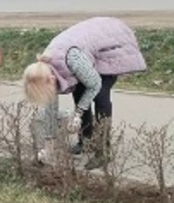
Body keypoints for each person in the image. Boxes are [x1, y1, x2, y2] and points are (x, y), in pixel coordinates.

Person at [22, 17, 147, 170]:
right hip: (85, 54)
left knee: (100, 97)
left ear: (52, 79)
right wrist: (49, 146)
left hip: (111, 46)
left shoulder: (70, 58)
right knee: (80, 93)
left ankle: (103, 151)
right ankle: (85, 140)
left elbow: (94, 84)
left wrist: (78, 113)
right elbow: (51, 109)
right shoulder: (43, 72)